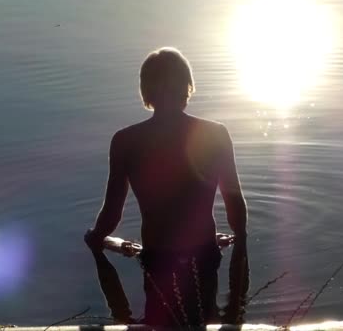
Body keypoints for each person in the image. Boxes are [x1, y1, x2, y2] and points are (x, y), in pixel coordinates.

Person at [85, 47, 249, 326]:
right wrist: (241, 245)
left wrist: (95, 238)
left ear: (146, 91)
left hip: (158, 259)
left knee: (160, 320)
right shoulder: (215, 134)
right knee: (203, 316)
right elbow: (234, 203)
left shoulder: (126, 141)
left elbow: (112, 213)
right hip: (204, 255)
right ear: (187, 87)